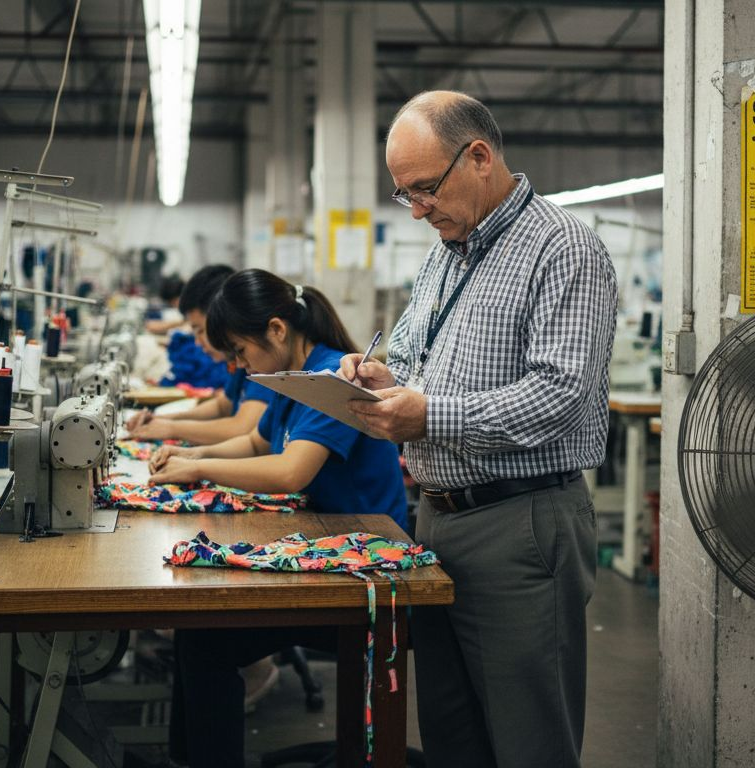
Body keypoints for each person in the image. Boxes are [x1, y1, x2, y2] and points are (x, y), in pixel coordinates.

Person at [339, 90, 618, 768]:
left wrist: (427, 414)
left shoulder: (563, 249)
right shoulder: (445, 252)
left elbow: (558, 395)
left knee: (528, 741)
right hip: (438, 520)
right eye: (405, 195)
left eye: (425, 189)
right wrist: (380, 376)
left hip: (521, 524)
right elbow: (411, 354)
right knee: (452, 734)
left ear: (480, 157)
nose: (418, 209)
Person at [149, 268, 407, 768]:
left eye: (241, 352)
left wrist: (198, 465)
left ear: (277, 330)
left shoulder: (335, 379)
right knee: (197, 632)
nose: (240, 367)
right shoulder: (293, 379)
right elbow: (255, 443)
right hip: (328, 542)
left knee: (205, 641)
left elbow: (290, 471)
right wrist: (180, 455)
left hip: (368, 569)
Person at [127, 264, 275, 445]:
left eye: (200, 330)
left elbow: (242, 429)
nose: (197, 342)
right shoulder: (241, 363)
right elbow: (223, 406)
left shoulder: (262, 364)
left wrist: (172, 428)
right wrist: (164, 420)